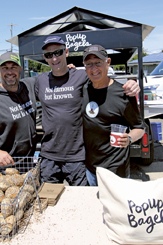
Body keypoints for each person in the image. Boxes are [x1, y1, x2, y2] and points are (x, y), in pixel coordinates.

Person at [35, 36, 140, 186]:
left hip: (77, 157)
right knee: (50, 202)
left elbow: (104, 79)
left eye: (58, 52)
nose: (54, 58)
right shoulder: (40, 81)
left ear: (66, 52)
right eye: (48, 55)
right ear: (45, 58)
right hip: (49, 155)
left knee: (83, 201)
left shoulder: (81, 76)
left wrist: (132, 83)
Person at [81, 45, 145, 186]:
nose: (93, 68)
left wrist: (129, 138)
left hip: (116, 171)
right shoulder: (83, 89)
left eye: (98, 63)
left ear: (108, 62)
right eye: (89, 64)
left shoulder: (123, 94)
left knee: (117, 208)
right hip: (91, 170)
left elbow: (139, 128)